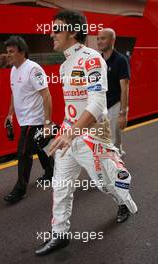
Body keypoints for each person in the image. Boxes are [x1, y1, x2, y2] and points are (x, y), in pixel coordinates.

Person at [35, 10, 138, 256]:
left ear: (72, 31)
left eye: (56, 29)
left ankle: (125, 202)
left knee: (104, 184)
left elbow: (97, 105)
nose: (51, 34)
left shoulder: (91, 59)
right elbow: (73, 106)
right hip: (70, 134)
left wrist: (72, 134)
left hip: (94, 135)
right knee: (60, 186)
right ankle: (60, 234)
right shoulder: (63, 66)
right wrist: (60, 130)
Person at [4, 35, 54, 204]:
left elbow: (46, 95)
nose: (8, 55)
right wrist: (9, 114)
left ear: (22, 52)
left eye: (12, 51)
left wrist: (47, 123)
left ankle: (20, 189)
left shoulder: (33, 69)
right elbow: (14, 94)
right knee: (39, 147)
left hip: (35, 119)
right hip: (23, 119)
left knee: (24, 153)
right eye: (7, 52)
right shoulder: (13, 70)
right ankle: (51, 172)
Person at [97, 28, 130, 156]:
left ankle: (116, 172)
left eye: (103, 38)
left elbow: (125, 89)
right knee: (101, 141)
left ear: (113, 40)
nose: (99, 41)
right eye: (98, 38)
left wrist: (123, 113)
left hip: (115, 106)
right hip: (100, 106)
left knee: (113, 143)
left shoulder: (121, 60)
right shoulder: (98, 61)